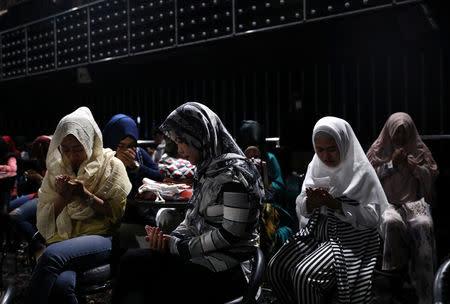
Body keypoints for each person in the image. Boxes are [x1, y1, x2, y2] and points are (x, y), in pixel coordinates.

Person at [112, 102, 264, 304]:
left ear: (202, 135)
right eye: (176, 141)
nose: (180, 149)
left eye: (183, 141)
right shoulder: (207, 169)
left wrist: (177, 247)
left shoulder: (235, 176)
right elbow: (192, 217)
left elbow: (229, 235)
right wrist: (170, 238)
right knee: (131, 261)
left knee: (149, 283)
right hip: (201, 257)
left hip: (229, 266)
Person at [267, 116, 388, 304]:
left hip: (350, 236)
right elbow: (301, 204)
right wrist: (310, 204)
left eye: (332, 149)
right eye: (320, 150)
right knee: (275, 267)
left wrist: (337, 205)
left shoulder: (361, 171)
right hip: (317, 231)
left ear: (343, 144)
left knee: (304, 275)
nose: (325, 156)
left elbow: (372, 217)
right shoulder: (315, 166)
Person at [26, 106, 131, 304]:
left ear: (90, 142)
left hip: (100, 236)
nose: (72, 156)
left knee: (51, 256)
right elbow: (45, 217)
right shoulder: (57, 168)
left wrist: (85, 195)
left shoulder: (111, 166)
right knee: (61, 286)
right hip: (64, 237)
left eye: (78, 149)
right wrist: (63, 198)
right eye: (65, 149)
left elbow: (115, 215)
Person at [367, 112, 438, 304]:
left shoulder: (419, 149)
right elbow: (368, 178)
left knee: (424, 224)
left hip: (415, 204)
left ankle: (424, 288)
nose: (399, 138)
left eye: (403, 133)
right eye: (396, 133)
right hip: (388, 203)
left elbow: (431, 175)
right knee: (390, 222)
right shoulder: (378, 149)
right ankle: (393, 284)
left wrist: (413, 167)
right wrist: (391, 164)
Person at [103, 114, 164, 228]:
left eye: (131, 146)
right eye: (121, 146)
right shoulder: (103, 158)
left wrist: (136, 167)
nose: (127, 151)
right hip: (115, 218)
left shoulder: (139, 153)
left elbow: (160, 176)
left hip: (144, 216)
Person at [9, 135, 51, 244]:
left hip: (48, 198)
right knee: (8, 207)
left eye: (44, 148)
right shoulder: (45, 162)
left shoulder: (59, 162)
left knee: (14, 216)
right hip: (39, 194)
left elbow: (53, 189)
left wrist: (39, 178)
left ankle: (38, 247)